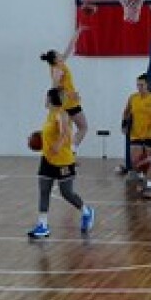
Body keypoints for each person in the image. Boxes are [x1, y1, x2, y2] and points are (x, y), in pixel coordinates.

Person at [27, 86, 95, 239]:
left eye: (46, 97)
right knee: (44, 190)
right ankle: (43, 225)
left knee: (66, 193)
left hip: (63, 160)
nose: (44, 99)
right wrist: (37, 139)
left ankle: (86, 211)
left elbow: (65, 132)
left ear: (50, 99)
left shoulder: (61, 114)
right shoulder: (50, 114)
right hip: (47, 159)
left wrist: (58, 144)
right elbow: (50, 133)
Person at [40, 27, 88, 152]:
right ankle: (71, 151)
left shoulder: (59, 64)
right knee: (82, 127)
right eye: (58, 54)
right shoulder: (57, 69)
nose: (61, 54)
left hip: (69, 101)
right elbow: (54, 87)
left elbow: (69, 48)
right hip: (68, 102)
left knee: (72, 130)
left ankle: (70, 151)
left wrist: (78, 32)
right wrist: (67, 96)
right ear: (55, 59)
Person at [121, 74, 151, 198]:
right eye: (137, 85)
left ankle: (150, 187)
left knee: (149, 161)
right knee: (136, 161)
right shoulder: (133, 98)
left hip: (150, 134)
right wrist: (124, 124)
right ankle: (140, 178)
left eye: (141, 85)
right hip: (136, 134)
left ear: (147, 85)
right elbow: (126, 112)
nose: (139, 87)